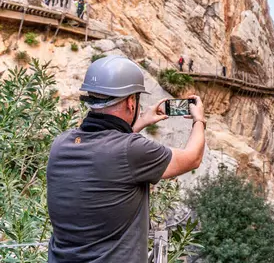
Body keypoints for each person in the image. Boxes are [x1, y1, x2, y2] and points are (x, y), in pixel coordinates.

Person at [46, 56, 206, 263]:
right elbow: (193, 158)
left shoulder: (61, 144)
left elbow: (106, 150)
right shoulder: (132, 150)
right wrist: (199, 120)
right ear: (131, 102)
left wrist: (138, 124)